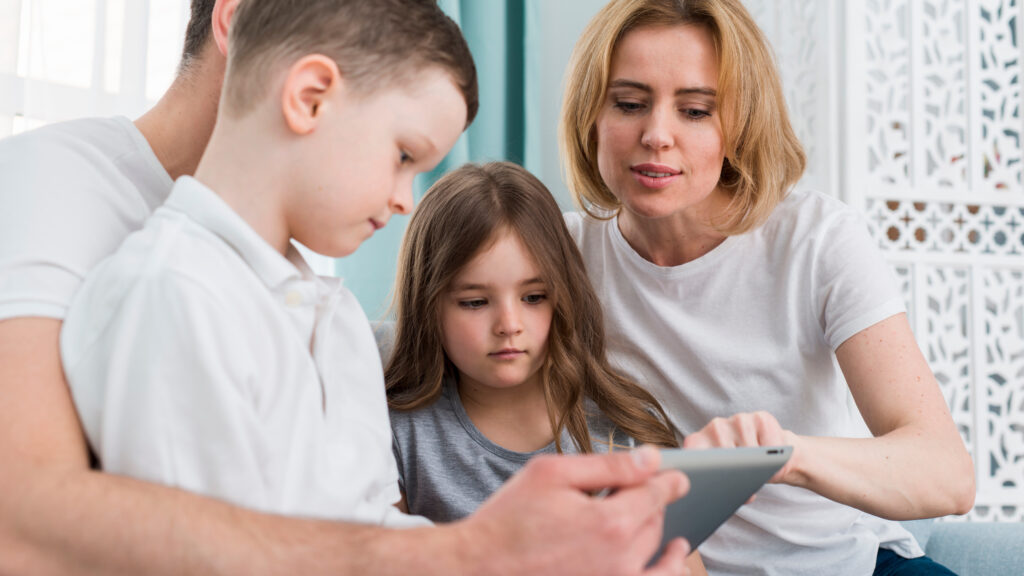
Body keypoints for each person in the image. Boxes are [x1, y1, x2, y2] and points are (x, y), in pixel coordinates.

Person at [0, 1, 691, 574]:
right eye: (403, 156)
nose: (405, 200)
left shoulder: (330, 316)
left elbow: (368, 528)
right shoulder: (173, 294)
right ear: (309, 97)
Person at [557, 0, 975, 575]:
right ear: (591, 116)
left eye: (696, 111)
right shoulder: (559, 259)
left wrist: (783, 456)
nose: (656, 135)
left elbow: (947, 475)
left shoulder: (816, 240)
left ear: (740, 126)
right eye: (629, 104)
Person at [384, 162, 707, 573]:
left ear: (564, 296)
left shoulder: (624, 429)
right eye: (475, 302)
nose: (509, 325)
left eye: (534, 297)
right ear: (427, 307)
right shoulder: (397, 435)